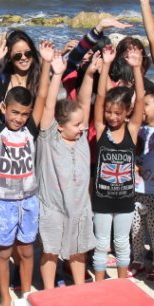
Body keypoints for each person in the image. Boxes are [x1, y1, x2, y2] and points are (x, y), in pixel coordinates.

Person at [0, 35, 50, 306]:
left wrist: (46, 64)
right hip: (4, 202)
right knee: (2, 253)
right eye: (15, 112)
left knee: (25, 252)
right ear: (4, 110)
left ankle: (24, 294)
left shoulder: (30, 130)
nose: (19, 118)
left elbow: (44, 97)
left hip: (29, 201)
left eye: (24, 113)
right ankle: (5, 299)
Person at [37, 54, 97, 290]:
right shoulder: (49, 138)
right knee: (50, 252)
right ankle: (50, 292)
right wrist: (57, 75)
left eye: (82, 124)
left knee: (79, 252)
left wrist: (90, 73)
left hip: (80, 207)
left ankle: (81, 290)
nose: (82, 128)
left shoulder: (81, 140)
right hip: (53, 208)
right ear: (60, 125)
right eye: (76, 125)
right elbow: (49, 106)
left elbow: (85, 104)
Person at [91, 46, 145, 281]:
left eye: (117, 113)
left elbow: (141, 98)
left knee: (122, 242)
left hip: (125, 200)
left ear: (127, 112)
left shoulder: (132, 130)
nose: (112, 116)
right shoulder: (101, 129)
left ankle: (123, 282)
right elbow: (101, 96)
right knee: (101, 243)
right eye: (109, 112)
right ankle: (100, 284)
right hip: (101, 200)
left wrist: (136, 68)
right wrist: (105, 66)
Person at [131, 91, 154, 280]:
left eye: (146, 104)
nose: (141, 108)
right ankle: (137, 259)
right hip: (137, 188)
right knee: (136, 227)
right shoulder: (139, 129)